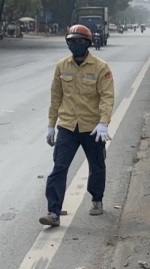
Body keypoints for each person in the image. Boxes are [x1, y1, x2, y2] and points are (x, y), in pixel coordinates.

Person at [40, 24, 115, 228]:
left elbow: (107, 97)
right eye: (72, 41)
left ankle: (97, 199)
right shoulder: (62, 66)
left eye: (80, 41)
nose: (76, 45)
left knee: (97, 166)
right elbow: (55, 97)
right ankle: (53, 212)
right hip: (67, 126)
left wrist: (103, 122)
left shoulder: (101, 67)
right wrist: (50, 126)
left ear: (88, 43)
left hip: (92, 127)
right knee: (59, 168)